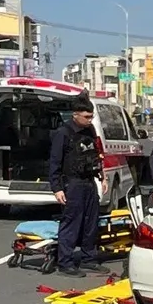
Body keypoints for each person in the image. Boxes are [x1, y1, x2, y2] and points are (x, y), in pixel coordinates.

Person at [48, 94, 109, 278]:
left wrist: (102, 176)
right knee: (72, 222)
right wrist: (57, 188)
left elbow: (96, 154)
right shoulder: (63, 133)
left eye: (91, 116)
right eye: (87, 117)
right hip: (72, 183)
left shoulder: (89, 131)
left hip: (89, 182)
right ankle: (65, 262)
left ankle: (88, 258)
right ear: (75, 115)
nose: (90, 120)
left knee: (91, 221)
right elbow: (54, 163)